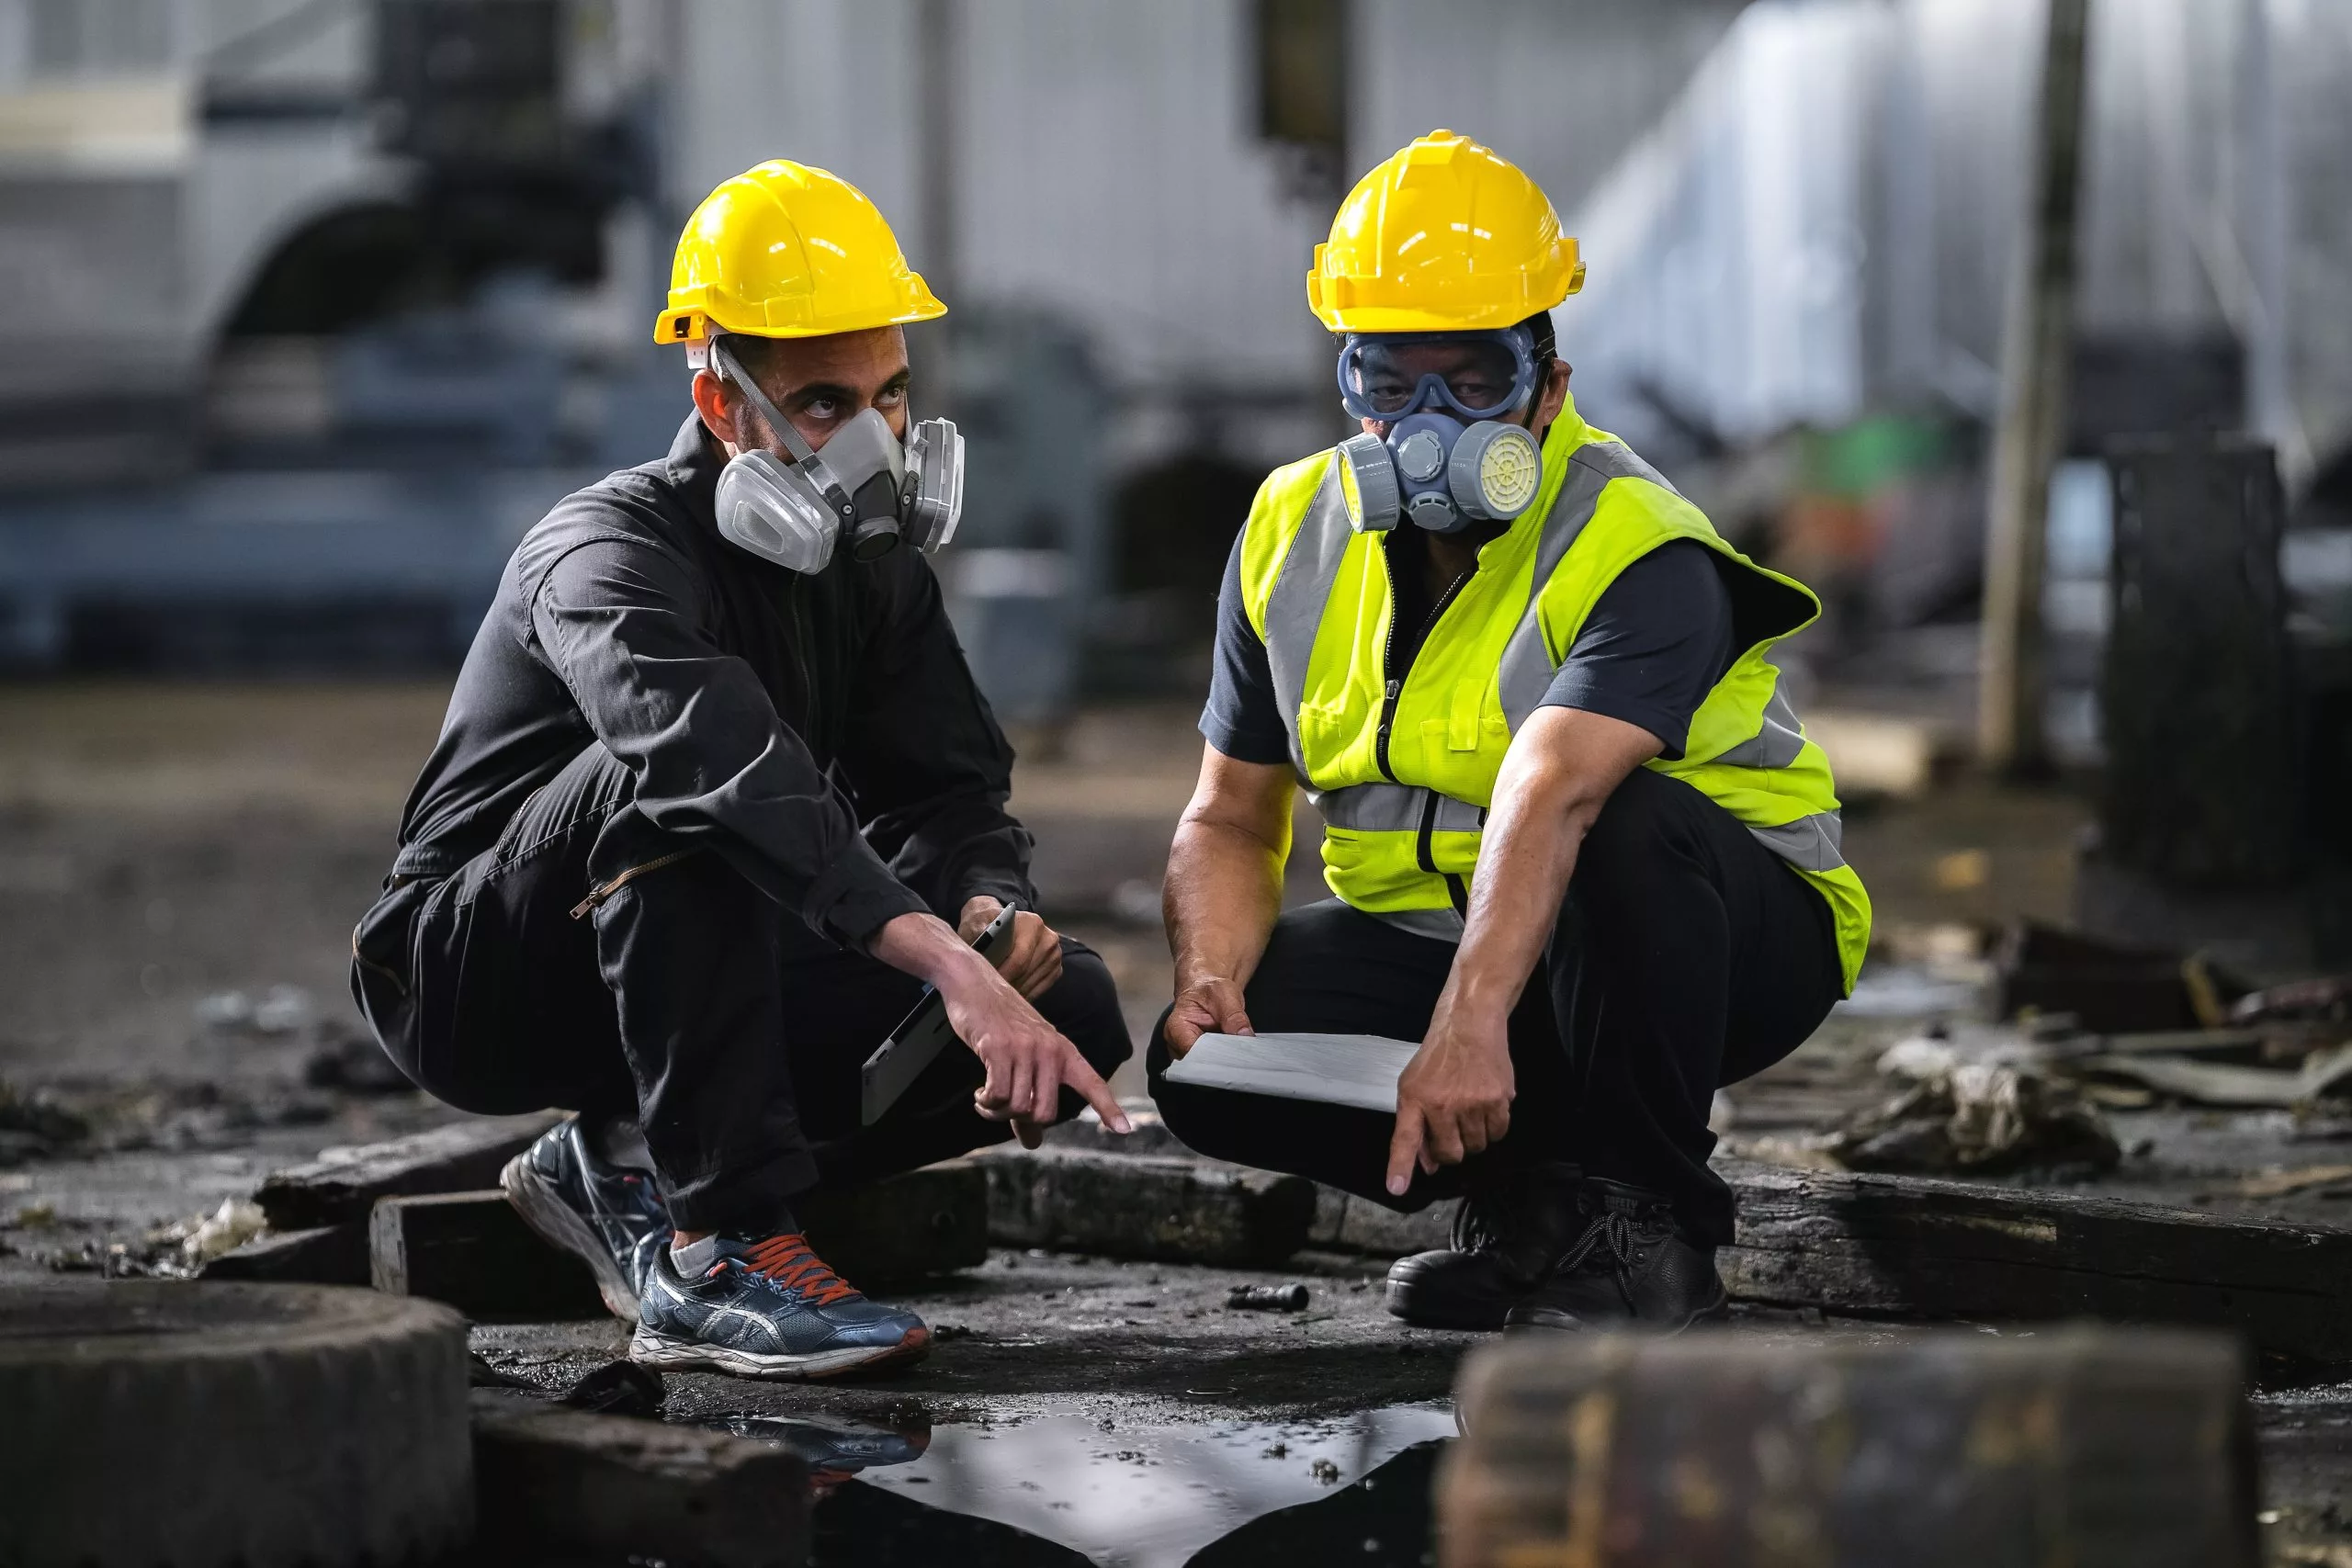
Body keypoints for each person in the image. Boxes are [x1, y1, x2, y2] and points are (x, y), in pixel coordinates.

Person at [350, 160, 1132, 1382]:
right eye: (826, 405)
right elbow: (707, 758)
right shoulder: (602, 551)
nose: (875, 443)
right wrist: (927, 951)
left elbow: (943, 790)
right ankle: (720, 1249)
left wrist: (987, 910)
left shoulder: (872, 572)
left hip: (688, 949)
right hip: (471, 970)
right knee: (692, 786)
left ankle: (622, 1158)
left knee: (1066, 1008)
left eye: (891, 396)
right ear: (723, 406)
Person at [1150, 131, 1871, 1334]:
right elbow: (1230, 810)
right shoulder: (1289, 529)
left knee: (1624, 824)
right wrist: (1209, 975)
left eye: (1473, 382)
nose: (1428, 424)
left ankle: (1649, 1235)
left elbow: (1556, 790)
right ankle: (1535, 1212)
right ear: (1348, 383)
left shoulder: (1639, 541)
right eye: (1391, 382)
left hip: (1723, 941)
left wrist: (1467, 1025)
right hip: (1475, 941)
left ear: (1550, 380)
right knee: (1211, 1055)